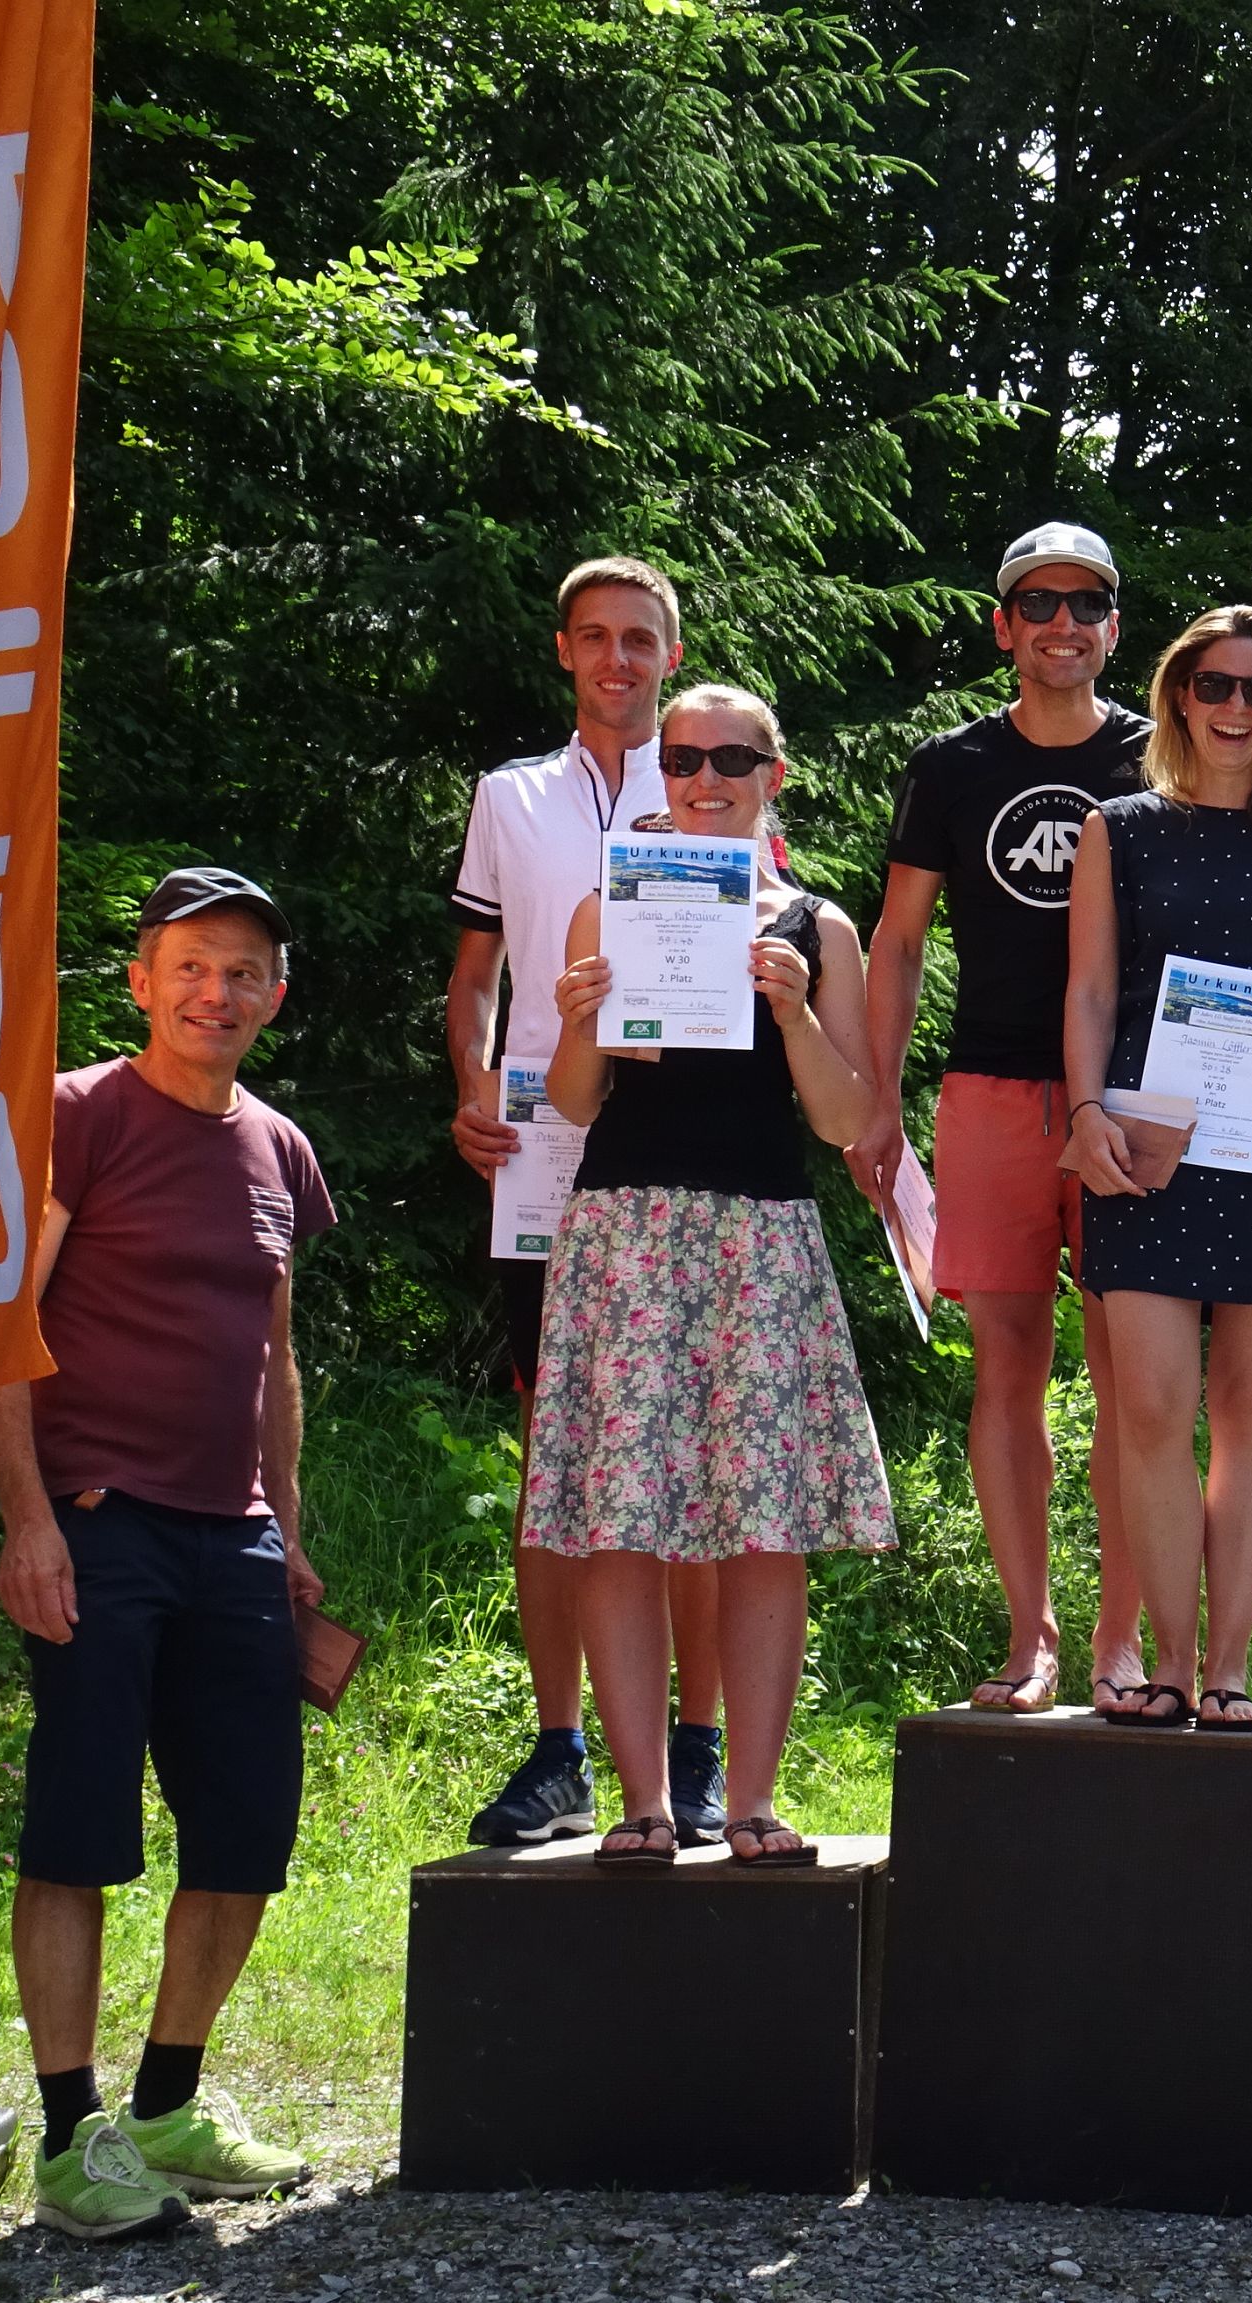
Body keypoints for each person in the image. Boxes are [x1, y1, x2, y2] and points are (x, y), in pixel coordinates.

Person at [851, 525, 1252, 1722]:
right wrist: (886, 1102)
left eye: (1086, 603)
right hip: (1046, 1104)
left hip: (1214, 1127)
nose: (1234, 706)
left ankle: (1163, 1659)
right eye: (1214, 686)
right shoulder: (1001, 780)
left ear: (1113, 626)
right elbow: (925, 950)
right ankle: (1064, 1645)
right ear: (1005, 622)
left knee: (1186, 1407)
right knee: (1054, 1383)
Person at [0, 868, 333, 2240]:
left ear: (273, 998)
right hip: (98, 1519)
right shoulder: (76, 1115)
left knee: (245, 1833)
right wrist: (29, 1519)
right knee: (77, 1830)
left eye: (241, 972)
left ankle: (170, 2107)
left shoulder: (279, 1147)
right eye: (189, 966)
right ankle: (74, 2136)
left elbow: (274, 1356)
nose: (214, 993)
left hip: (234, 1538)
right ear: (139, 982)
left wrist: (287, 1530)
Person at [526, 685, 897, 1865]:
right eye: (683, 758)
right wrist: (578, 1019)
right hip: (625, 1233)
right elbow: (573, 1101)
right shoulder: (607, 904)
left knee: (763, 1529)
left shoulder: (819, 929)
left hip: (758, 1238)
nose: (705, 779)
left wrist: (793, 1015)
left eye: (731, 759)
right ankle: (643, 1804)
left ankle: (750, 1802)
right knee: (620, 1526)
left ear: (771, 775)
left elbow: (848, 1121)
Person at [446, 556, 732, 1848]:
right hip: (547, 1145)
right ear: (564, 649)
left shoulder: (715, 779)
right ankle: (560, 1749)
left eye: (640, 638)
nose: (619, 659)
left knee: (698, 1458)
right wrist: (471, 1086)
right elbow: (474, 976)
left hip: (684, 1155)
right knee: (555, 1460)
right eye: (596, 637)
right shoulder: (509, 797)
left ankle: (696, 1751)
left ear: (669, 652)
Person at [1060, 605, 1252, 1731]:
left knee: (1248, 1420)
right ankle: (1170, 1665)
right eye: (1216, 685)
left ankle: (1229, 1668)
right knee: (1148, 1413)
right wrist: (1086, 1111)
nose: (1236, 707)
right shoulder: (1118, 827)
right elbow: (1091, 991)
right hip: (1145, 1149)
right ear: (1180, 694)